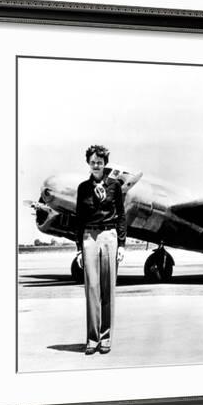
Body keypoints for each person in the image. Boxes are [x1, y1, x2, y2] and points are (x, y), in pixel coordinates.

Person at [75, 145, 126, 355]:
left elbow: (121, 215)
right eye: (93, 162)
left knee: (108, 290)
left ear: (105, 163)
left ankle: (106, 338)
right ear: (88, 163)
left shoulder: (115, 186)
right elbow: (78, 219)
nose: (96, 165)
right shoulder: (83, 188)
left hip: (109, 236)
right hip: (89, 236)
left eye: (100, 162)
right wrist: (79, 248)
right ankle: (92, 338)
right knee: (92, 290)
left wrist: (122, 244)